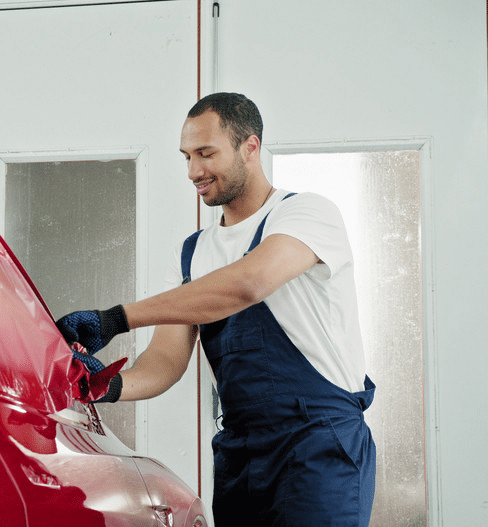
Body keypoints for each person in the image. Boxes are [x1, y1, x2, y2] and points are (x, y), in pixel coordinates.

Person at [56, 92, 376, 527]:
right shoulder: (192, 253)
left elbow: (249, 282)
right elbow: (166, 360)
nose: (194, 171)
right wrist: (103, 386)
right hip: (240, 452)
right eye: (187, 156)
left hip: (317, 442)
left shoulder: (305, 213)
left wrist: (116, 319)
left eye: (206, 154)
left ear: (251, 147)